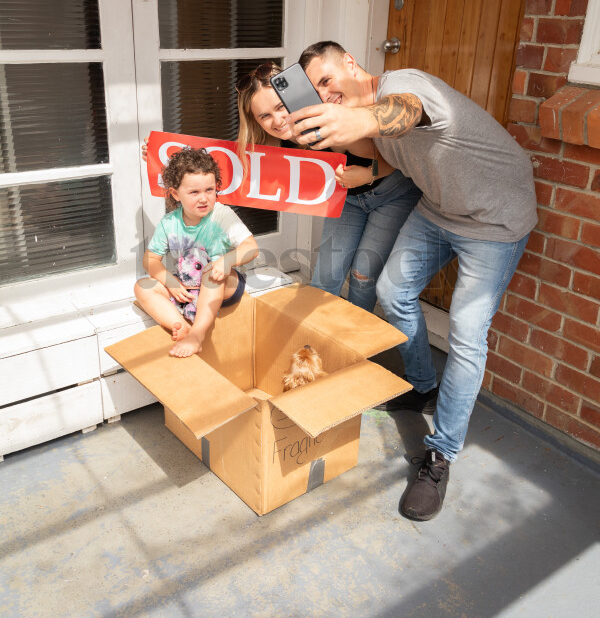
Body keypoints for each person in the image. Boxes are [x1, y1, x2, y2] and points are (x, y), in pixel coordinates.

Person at [287, 40, 538, 521]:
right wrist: (321, 131)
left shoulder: (406, 86)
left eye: (327, 78)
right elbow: (376, 154)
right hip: (439, 211)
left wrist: (358, 120)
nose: (325, 91)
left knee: (466, 333)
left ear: (352, 64)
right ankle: (422, 385)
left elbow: (407, 113)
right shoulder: (363, 122)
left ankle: (440, 455)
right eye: (315, 88)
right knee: (390, 292)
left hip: (495, 222)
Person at [235, 61, 421, 312]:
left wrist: (367, 174)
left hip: (390, 190)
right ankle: (316, 346)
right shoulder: (279, 143)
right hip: (349, 198)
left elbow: (393, 163)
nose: (277, 120)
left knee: (362, 277)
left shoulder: (325, 125)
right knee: (326, 277)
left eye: (280, 107)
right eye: (264, 116)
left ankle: (356, 346)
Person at [134, 146, 258, 358]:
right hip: (188, 288)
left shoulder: (221, 215)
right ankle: (182, 326)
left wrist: (227, 261)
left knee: (211, 270)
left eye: (209, 190)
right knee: (142, 287)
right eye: (194, 192)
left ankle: (198, 334)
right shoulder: (169, 223)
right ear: (175, 194)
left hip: (222, 283)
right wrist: (170, 282)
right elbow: (151, 259)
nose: (204, 198)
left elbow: (251, 247)